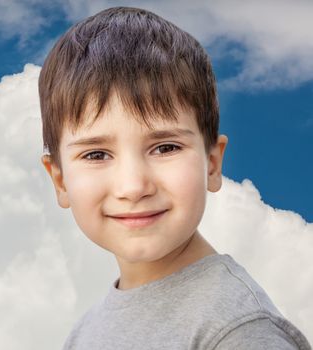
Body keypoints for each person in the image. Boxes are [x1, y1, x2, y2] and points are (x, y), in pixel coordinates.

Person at [38, 6, 311, 350]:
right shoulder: (85, 331)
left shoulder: (237, 332)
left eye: (165, 147)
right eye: (96, 154)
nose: (133, 186)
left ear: (211, 164)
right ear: (60, 181)